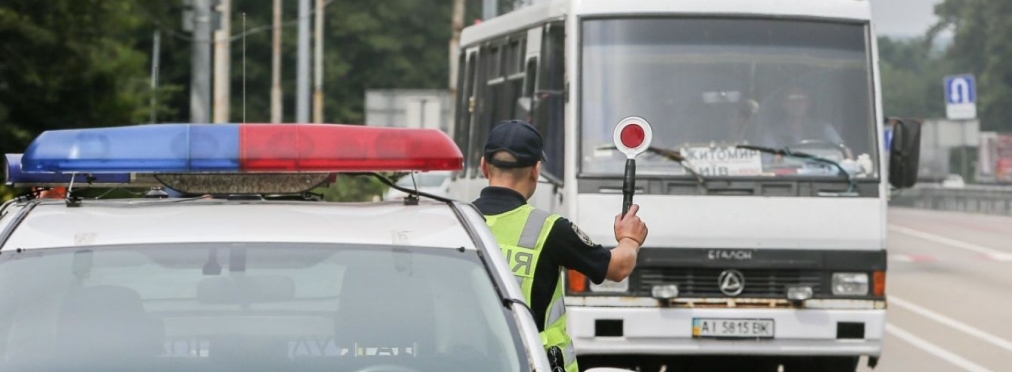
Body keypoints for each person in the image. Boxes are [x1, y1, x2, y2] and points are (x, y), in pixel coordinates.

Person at [473, 120, 648, 372]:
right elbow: (617, 268)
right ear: (536, 170)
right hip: (534, 363)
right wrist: (629, 239)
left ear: (483, 167)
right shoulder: (549, 229)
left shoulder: (457, 221)